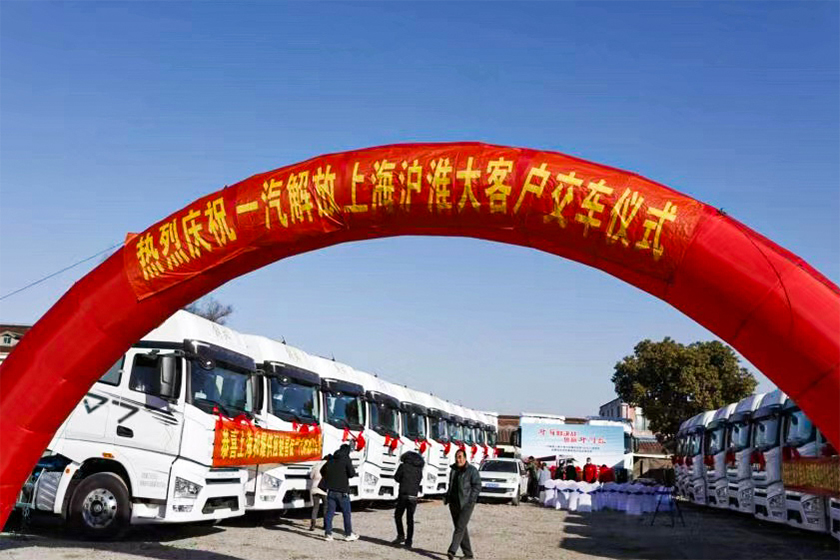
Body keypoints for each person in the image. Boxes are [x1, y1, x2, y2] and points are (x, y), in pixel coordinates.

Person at [444, 449, 481, 560]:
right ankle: (468, 554)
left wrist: (471, 500)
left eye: (460, 457)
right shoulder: (453, 469)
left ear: (465, 458)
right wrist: (447, 496)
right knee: (461, 528)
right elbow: (451, 485)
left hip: (466, 504)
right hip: (454, 503)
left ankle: (452, 550)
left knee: (460, 527)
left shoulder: (472, 470)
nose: (458, 459)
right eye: (456, 457)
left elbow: (477, 485)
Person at [320, 444, 359, 542]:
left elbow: (322, 470)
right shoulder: (346, 459)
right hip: (342, 491)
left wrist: (330, 477)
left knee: (330, 513)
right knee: (346, 514)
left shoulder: (331, 459)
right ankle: (348, 534)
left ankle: (328, 534)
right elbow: (351, 473)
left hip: (331, 491)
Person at [393, 450, 425, 549]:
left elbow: (397, 478)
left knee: (398, 515)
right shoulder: (419, 469)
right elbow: (419, 480)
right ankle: (409, 541)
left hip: (403, 494)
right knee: (410, 519)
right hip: (414, 496)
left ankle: (401, 535)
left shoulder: (403, 466)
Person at [309, 455, 330, 531]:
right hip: (323, 489)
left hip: (314, 488)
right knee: (325, 507)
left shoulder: (316, 465)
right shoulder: (328, 465)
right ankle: (325, 524)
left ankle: (313, 525)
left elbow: (311, 476)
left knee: (315, 507)